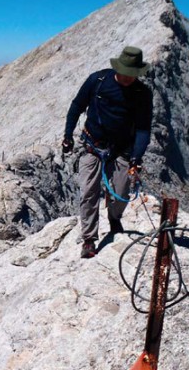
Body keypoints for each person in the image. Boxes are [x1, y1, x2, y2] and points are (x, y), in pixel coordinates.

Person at [62, 46, 153, 258]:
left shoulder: (142, 94)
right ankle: (89, 239)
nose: (129, 78)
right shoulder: (98, 81)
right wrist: (68, 135)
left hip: (122, 149)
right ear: (118, 68)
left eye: (133, 74)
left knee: (121, 194)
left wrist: (136, 158)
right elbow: (77, 106)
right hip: (92, 145)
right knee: (88, 192)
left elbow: (143, 129)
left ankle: (114, 217)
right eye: (126, 73)